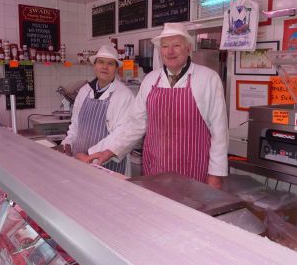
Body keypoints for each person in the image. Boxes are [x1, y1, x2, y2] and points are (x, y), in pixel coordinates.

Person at [86, 23, 229, 189]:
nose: (170, 51)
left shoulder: (208, 78)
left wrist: (215, 176)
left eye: (176, 45)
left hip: (194, 174)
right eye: (165, 46)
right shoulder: (150, 80)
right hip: (155, 170)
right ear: (160, 51)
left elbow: (219, 133)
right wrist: (107, 151)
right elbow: (134, 125)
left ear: (188, 48)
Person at [60, 45, 134, 174]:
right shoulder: (84, 91)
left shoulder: (124, 95)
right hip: (79, 161)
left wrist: (89, 155)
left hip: (108, 165)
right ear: (94, 66)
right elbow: (75, 126)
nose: (104, 67)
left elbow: (121, 134)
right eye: (101, 62)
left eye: (110, 63)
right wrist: (67, 143)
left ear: (116, 68)